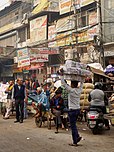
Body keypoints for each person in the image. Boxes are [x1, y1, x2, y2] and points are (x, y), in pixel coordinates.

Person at [60, 72, 83, 146]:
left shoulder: (71, 90)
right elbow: (82, 83)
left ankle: (75, 141)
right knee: (74, 125)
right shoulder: (79, 90)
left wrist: (61, 75)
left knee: (73, 126)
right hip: (78, 110)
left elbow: (63, 83)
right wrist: (82, 77)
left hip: (72, 111)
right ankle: (77, 136)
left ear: (72, 84)